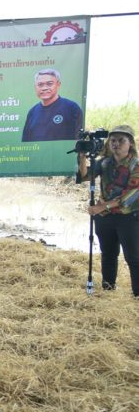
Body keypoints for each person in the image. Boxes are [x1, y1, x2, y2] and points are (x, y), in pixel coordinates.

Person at [77, 125, 139, 296]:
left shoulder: (136, 165)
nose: (116, 144)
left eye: (121, 140)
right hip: (105, 217)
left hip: (129, 217)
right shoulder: (105, 162)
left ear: (130, 144)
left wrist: (102, 206)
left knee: (133, 258)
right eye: (113, 140)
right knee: (108, 255)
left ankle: (137, 295)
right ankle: (108, 290)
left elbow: (132, 195)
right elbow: (84, 176)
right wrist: (82, 157)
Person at [21, 69, 84, 142]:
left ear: (58, 84)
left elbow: (77, 140)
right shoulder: (32, 112)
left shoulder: (72, 108)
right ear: (35, 87)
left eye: (49, 84)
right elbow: (26, 142)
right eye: (40, 85)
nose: (44, 88)